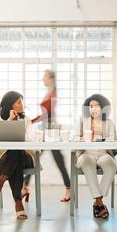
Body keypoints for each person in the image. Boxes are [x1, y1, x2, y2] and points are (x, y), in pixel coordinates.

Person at [0, 91, 35, 219]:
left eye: (22, 102)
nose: (22, 105)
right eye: (19, 102)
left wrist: (17, 126)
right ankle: (18, 202)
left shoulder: (26, 120)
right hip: (7, 157)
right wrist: (10, 121)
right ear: (11, 105)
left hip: (25, 156)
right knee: (14, 154)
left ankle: (1, 181)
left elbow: (31, 139)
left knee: (16, 151)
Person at [31, 69, 71, 202]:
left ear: (51, 78)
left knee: (55, 159)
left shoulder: (53, 93)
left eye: (45, 76)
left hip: (50, 130)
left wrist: (30, 121)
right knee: (35, 157)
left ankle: (69, 188)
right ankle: (24, 186)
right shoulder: (49, 92)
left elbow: (47, 113)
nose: (43, 78)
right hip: (46, 128)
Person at [75, 94, 117, 219]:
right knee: (87, 164)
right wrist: (82, 138)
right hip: (86, 153)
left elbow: (113, 140)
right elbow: (74, 137)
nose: (93, 109)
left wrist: (102, 139)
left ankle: (97, 201)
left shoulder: (109, 123)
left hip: (104, 153)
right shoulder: (83, 120)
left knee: (111, 165)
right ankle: (99, 202)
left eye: (97, 106)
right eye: (91, 106)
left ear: (103, 107)